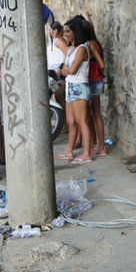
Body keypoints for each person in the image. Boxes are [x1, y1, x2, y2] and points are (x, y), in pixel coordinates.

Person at [56, 19, 92, 164]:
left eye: (67, 31)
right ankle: (69, 151)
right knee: (70, 122)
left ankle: (87, 154)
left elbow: (71, 69)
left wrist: (63, 71)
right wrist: (64, 71)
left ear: (75, 32)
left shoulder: (82, 49)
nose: (65, 34)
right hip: (70, 87)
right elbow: (65, 68)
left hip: (79, 87)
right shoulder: (71, 49)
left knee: (81, 121)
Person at [80, 16, 107, 156]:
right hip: (96, 80)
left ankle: (101, 146)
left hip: (93, 82)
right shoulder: (94, 42)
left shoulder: (89, 44)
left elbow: (101, 64)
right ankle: (99, 145)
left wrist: (97, 74)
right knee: (95, 114)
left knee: (95, 115)